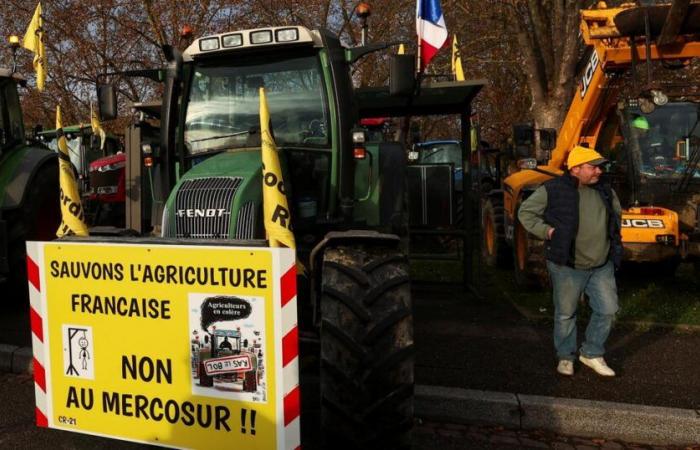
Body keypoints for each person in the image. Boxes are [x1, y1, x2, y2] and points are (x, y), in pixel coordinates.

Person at [518, 145, 622, 377]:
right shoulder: (553, 189)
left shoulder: (605, 190)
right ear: (575, 169)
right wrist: (548, 232)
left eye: (599, 167)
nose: (599, 172)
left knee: (608, 309)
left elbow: (616, 215)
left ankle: (592, 353)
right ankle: (566, 357)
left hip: (601, 265)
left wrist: (612, 241)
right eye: (593, 167)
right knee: (566, 313)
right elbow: (525, 213)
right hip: (567, 264)